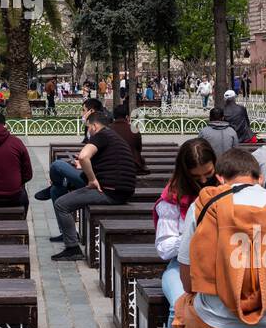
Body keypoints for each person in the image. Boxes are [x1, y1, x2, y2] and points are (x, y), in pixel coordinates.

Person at [169, 147, 266, 328]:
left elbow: (187, 281)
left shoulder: (204, 203)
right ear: (261, 178)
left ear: (220, 178)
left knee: (179, 304)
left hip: (214, 322)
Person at [51, 110, 137, 261]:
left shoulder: (102, 135)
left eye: (89, 127)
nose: (88, 131)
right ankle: (57, 189)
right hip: (122, 189)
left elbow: (84, 156)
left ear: (95, 126)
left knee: (61, 205)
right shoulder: (113, 137)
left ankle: (73, 249)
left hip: (109, 191)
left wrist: (91, 180)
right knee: (63, 192)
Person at [154, 139, 219, 306]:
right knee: (181, 305)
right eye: (196, 177)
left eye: (209, 173)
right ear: (185, 173)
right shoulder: (173, 196)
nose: (204, 181)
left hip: (222, 263)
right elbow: (164, 248)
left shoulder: (226, 186)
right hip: (182, 265)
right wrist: (192, 236)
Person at [109, 105, 149, 176]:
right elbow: (139, 149)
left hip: (112, 166)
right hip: (132, 166)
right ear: (127, 117)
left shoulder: (108, 130)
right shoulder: (134, 130)